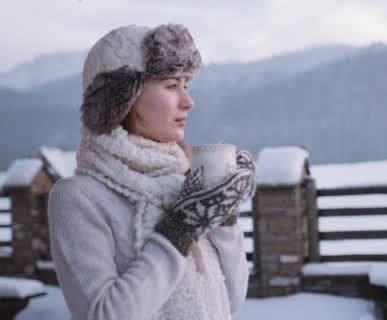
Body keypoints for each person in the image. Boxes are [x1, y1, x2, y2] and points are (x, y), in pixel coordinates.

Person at [47, 23, 255, 320]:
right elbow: (104, 314)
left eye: (187, 84)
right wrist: (179, 230)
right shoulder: (77, 198)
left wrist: (224, 214)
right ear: (122, 99)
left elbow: (228, 302)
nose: (188, 101)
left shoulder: (184, 183)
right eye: (171, 86)